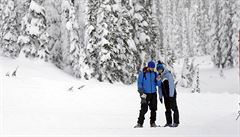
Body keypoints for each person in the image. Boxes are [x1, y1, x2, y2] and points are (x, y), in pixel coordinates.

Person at [134, 61, 159, 128]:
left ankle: (153, 123)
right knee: (144, 109)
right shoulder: (143, 73)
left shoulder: (154, 73)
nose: (153, 69)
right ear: (148, 67)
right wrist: (141, 93)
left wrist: (158, 80)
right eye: (152, 67)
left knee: (154, 109)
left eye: (153, 68)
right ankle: (140, 123)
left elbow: (157, 84)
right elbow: (139, 83)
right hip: (145, 94)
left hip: (153, 93)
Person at [156, 61, 180, 127]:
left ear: (163, 69)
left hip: (171, 94)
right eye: (158, 69)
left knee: (174, 107)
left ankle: (176, 122)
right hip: (165, 96)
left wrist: (171, 95)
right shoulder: (160, 77)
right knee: (167, 109)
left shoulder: (168, 75)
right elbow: (160, 87)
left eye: (160, 69)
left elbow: (171, 85)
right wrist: (160, 96)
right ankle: (169, 122)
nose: (159, 70)